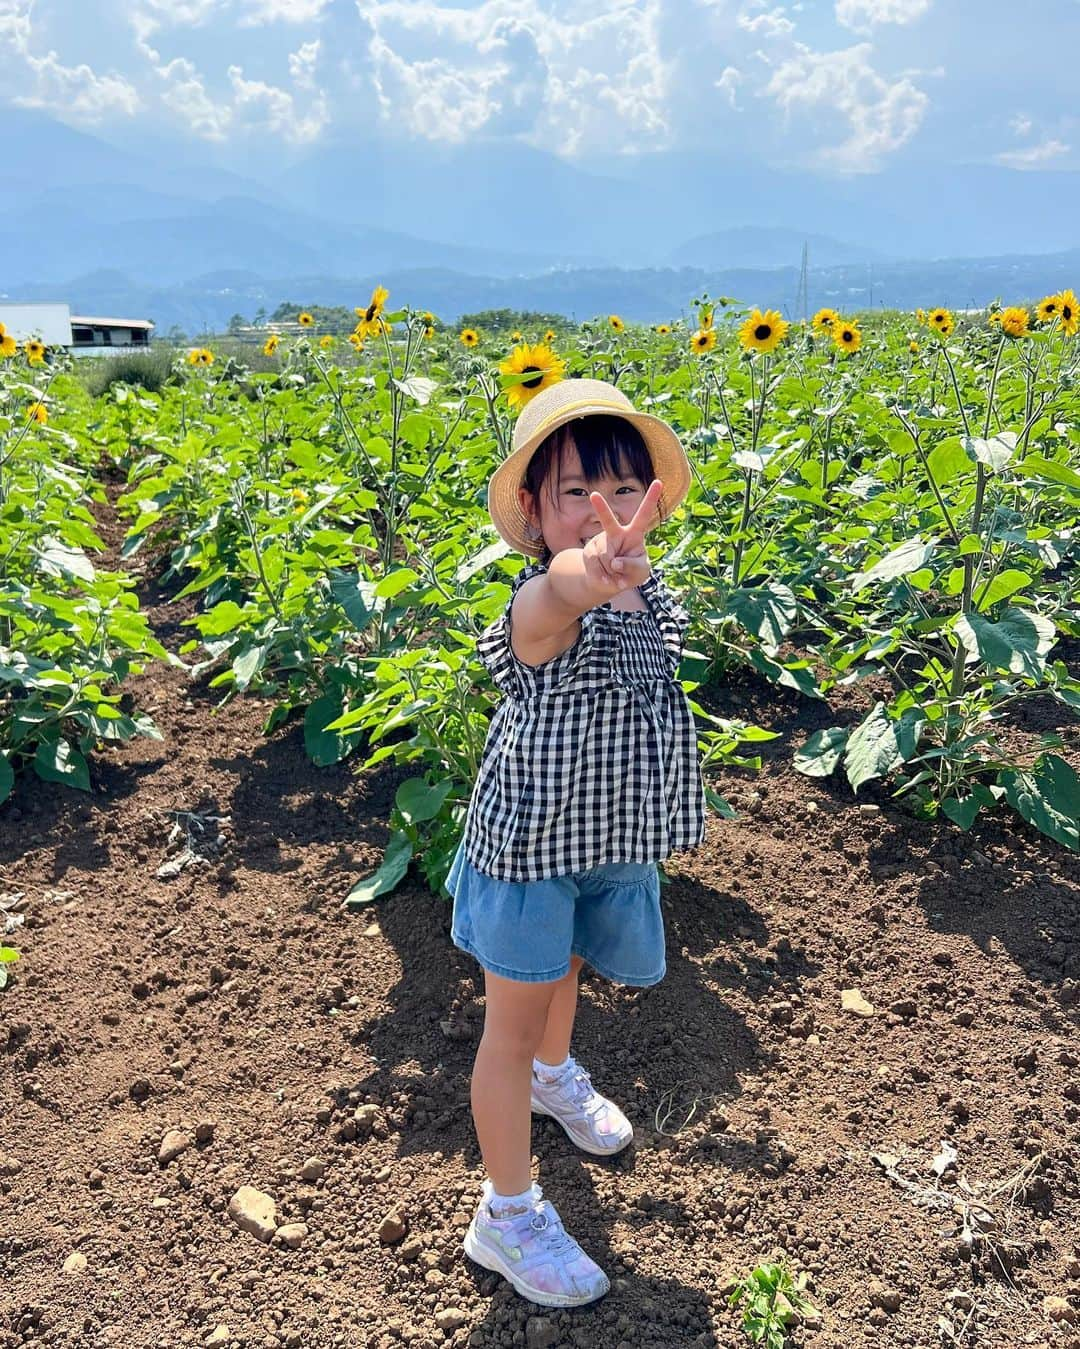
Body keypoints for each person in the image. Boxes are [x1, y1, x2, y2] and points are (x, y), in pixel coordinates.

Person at [442, 377, 707, 1308]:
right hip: (526, 850)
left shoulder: (651, 593)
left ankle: (557, 1078)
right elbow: (551, 606)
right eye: (577, 494)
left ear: (654, 500)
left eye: (628, 488)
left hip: (606, 834)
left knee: (566, 971)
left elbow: (649, 670)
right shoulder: (539, 602)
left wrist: (622, 580)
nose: (609, 513)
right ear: (532, 510)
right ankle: (504, 1215)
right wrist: (582, 576)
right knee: (506, 1029)